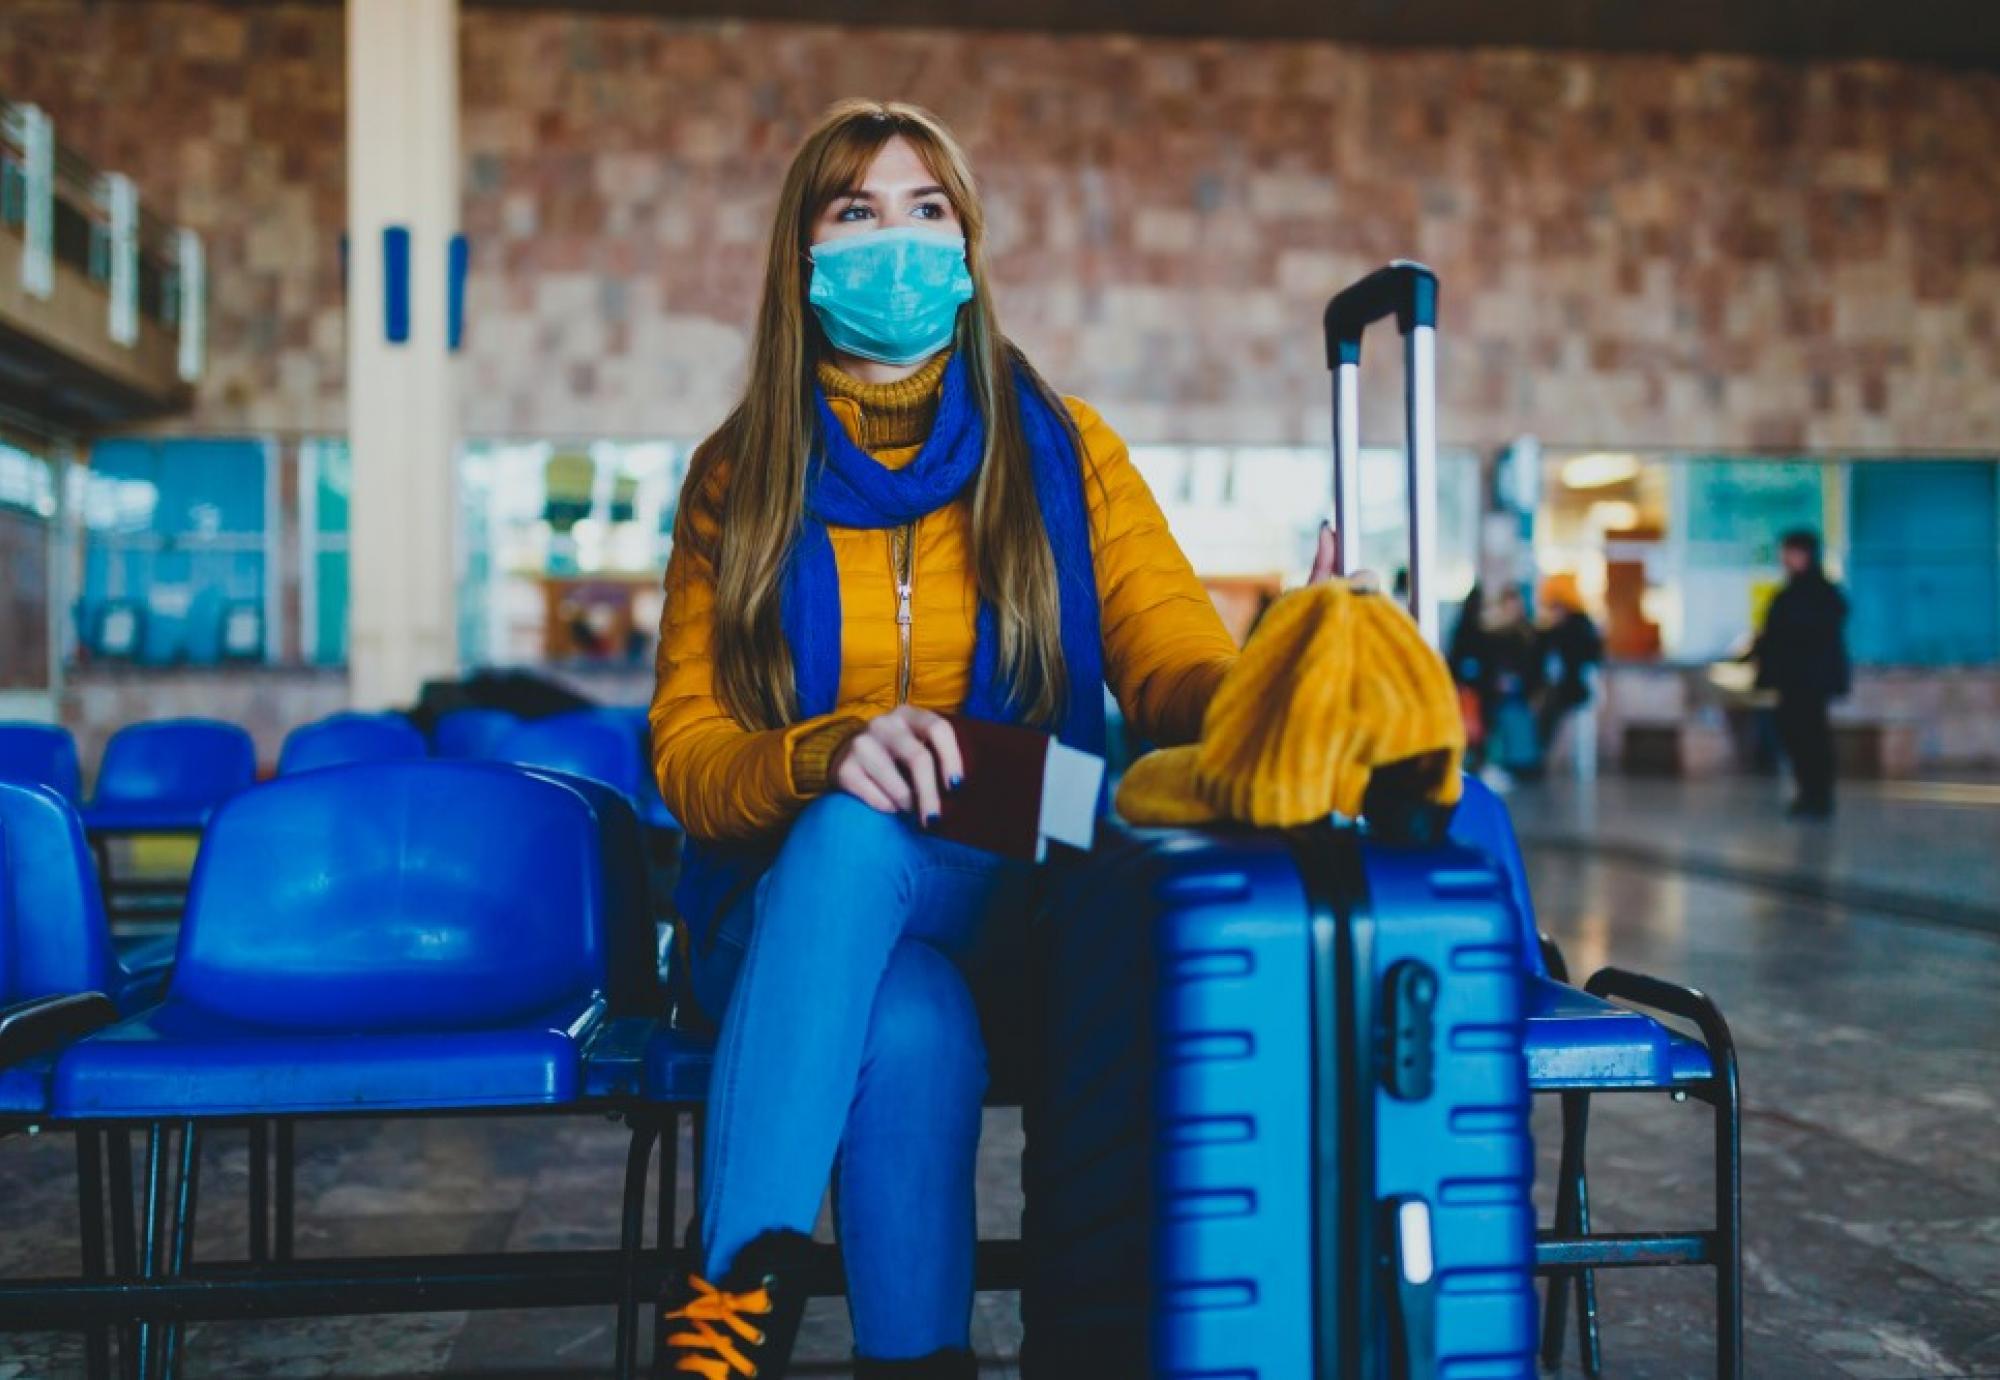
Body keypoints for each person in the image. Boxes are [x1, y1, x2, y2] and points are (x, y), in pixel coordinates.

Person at [648, 100, 1341, 1378]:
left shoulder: (1064, 453)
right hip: (793, 891)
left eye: (928, 211)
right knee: (906, 1013)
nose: (896, 241)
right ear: (802, 254)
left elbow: (1173, 659)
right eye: (857, 211)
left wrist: (1279, 673)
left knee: (884, 830)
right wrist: (823, 751)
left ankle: (730, 1297)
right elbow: (688, 754)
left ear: (967, 251)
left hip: (1029, 858)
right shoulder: (734, 478)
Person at [1753, 528, 1849, 818]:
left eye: (1791, 552)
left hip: (1809, 681)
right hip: (1792, 681)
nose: (1785, 558)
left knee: (1811, 737)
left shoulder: (1820, 594)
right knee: (1794, 735)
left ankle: (1817, 795)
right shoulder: (1790, 593)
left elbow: (1810, 635)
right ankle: (1808, 793)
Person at [1534, 575, 1603, 766]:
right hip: (1564, 687)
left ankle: (1539, 756)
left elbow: (1586, 657)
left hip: (1573, 688)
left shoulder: (1576, 629)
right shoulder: (1558, 629)